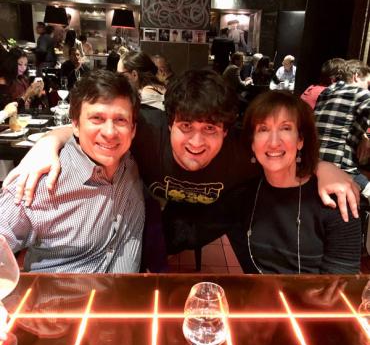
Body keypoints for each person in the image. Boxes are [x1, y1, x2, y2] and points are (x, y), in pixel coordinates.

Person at [2, 70, 359, 270]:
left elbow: (279, 150)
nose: (196, 142)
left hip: (214, 215)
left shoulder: (241, 149)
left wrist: (323, 167)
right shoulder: (145, 133)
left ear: (227, 131)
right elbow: (100, 127)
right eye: (186, 127)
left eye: (210, 130)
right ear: (168, 123)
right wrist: (50, 141)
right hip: (158, 215)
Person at [0, 70, 144, 273]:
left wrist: (51, 137)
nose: (110, 133)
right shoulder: (41, 181)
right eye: (97, 118)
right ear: (75, 125)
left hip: (121, 299)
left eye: (120, 120)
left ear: (133, 129)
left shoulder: (129, 163)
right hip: (57, 302)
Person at [222, 91, 361, 274]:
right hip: (262, 300)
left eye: (285, 128)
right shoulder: (244, 196)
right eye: (263, 129)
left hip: (318, 302)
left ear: (300, 140)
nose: (273, 142)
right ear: (252, 143)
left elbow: (340, 283)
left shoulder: (335, 200)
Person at [314, 59, 370, 198]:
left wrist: (364, 137)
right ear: (356, 76)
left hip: (314, 164)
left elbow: (339, 124)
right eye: (368, 83)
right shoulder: (362, 94)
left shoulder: (326, 92)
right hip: (341, 168)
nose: (368, 88)